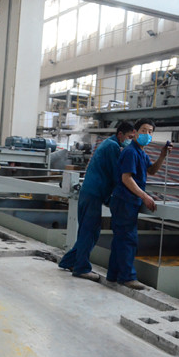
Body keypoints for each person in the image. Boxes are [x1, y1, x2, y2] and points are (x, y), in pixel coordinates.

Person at [58, 121, 135, 282]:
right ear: (120, 134)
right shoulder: (113, 147)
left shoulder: (108, 144)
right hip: (93, 193)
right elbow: (116, 174)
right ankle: (81, 268)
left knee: (88, 231)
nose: (130, 140)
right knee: (90, 231)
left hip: (90, 192)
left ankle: (69, 261)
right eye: (129, 137)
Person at [106, 118, 172, 290]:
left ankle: (113, 275)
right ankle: (127, 277)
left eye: (150, 132)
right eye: (143, 130)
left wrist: (162, 155)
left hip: (129, 201)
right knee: (128, 239)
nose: (147, 134)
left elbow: (152, 170)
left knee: (120, 240)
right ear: (135, 132)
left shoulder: (141, 153)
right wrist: (144, 196)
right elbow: (126, 178)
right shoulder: (131, 152)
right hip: (124, 201)